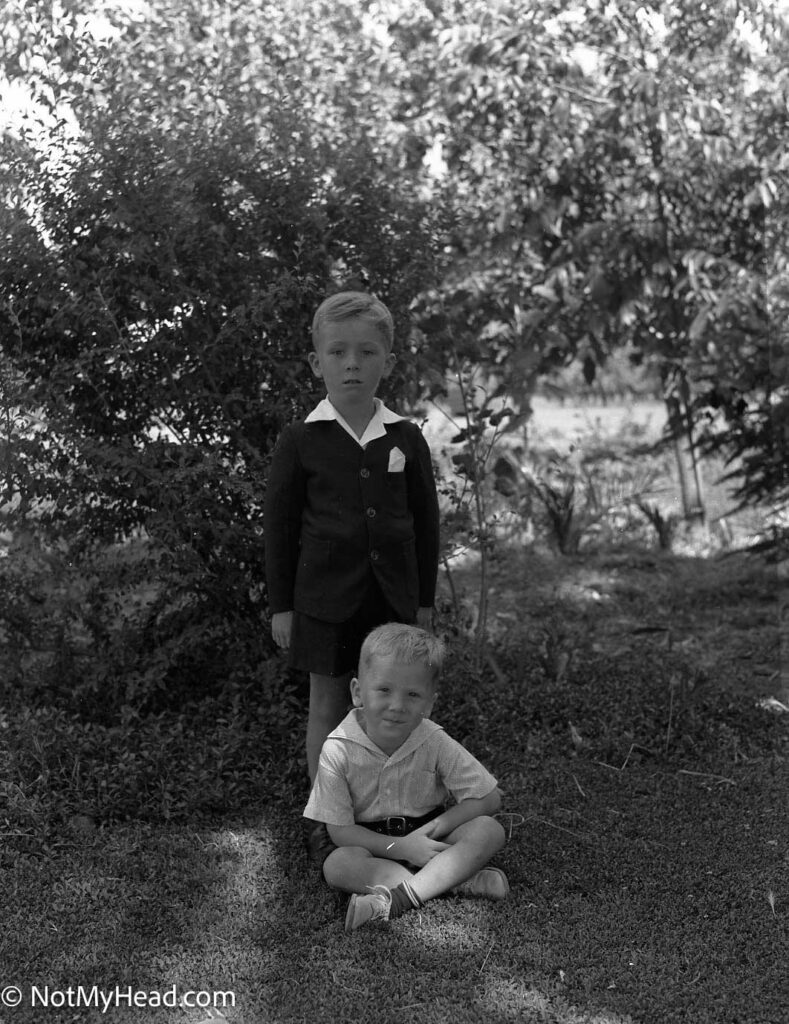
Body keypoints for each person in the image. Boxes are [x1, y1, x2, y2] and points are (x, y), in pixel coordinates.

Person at [263, 290, 440, 787]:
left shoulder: (405, 437)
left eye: (366, 352)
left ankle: (391, 801)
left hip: (392, 599)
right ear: (317, 362)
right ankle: (326, 812)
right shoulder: (301, 440)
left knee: (394, 704)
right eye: (338, 352)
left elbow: (426, 525)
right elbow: (280, 529)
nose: (352, 365)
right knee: (328, 703)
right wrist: (283, 606)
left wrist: (423, 601)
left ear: (387, 359)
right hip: (323, 602)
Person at [304, 623, 509, 932]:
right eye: (384, 690)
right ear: (358, 693)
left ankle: (400, 897)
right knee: (338, 864)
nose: (397, 706)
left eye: (413, 695)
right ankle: (454, 881)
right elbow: (341, 833)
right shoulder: (338, 748)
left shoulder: (435, 740)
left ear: (429, 703)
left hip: (429, 836)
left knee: (488, 830)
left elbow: (490, 797)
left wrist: (434, 830)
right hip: (371, 843)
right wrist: (401, 847)